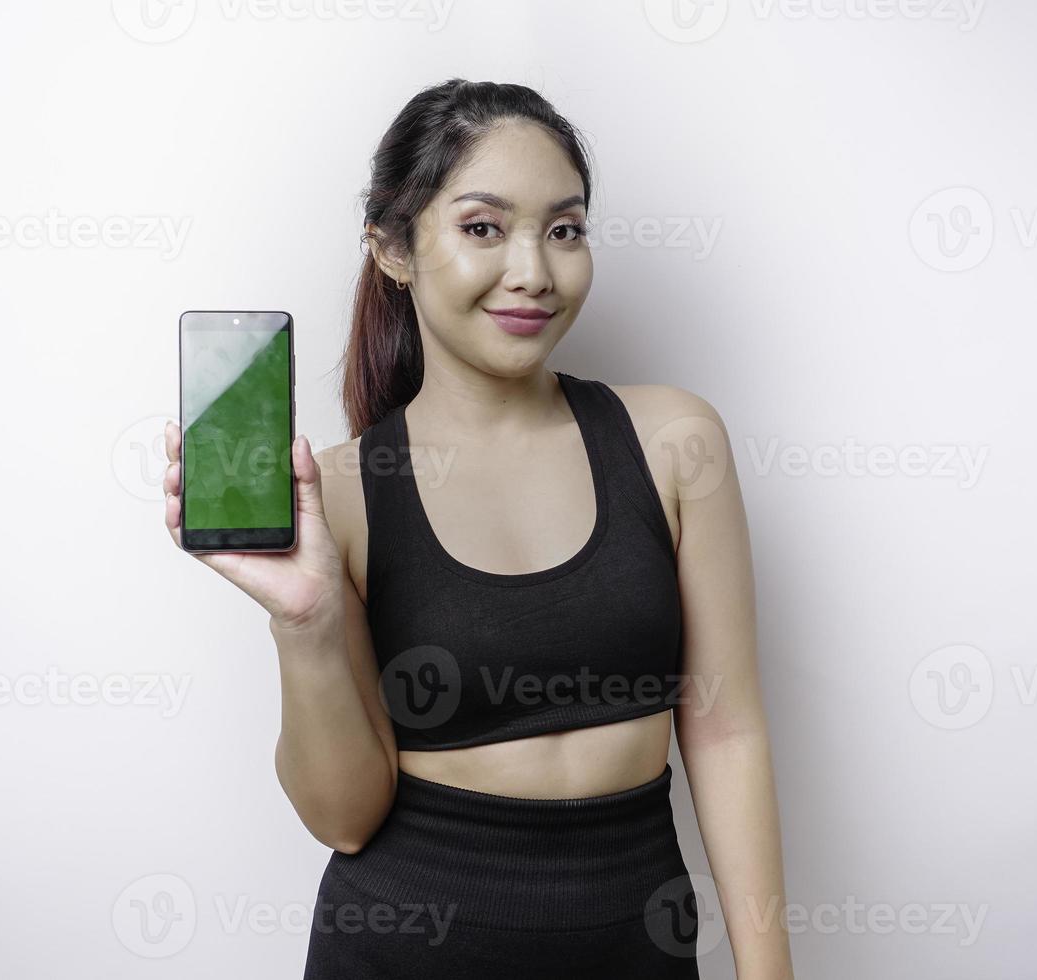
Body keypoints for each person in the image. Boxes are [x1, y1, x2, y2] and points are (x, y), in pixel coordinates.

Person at [161, 78, 794, 979]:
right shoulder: (340, 493)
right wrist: (303, 624)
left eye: (564, 229)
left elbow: (726, 731)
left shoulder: (676, 441)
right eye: (483, 227)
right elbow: (344, 816)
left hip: (636, 944)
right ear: (392, 247)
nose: (534, 270)